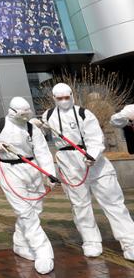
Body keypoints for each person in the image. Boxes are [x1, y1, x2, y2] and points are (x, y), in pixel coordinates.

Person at [42, 83, 134, 260]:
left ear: (72, 96)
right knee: (80, 205)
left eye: (66, 97)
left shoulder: (84, 114)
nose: (63, 101)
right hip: (68, 163)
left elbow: (95, 138)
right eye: (59, 98)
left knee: (113, 202)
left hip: (94, 162)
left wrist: (92, 155)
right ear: (54, 99)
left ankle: (129, 241)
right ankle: (91, 241)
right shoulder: (49, 115)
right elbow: (38, 131)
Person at [0, 97, 55, 275]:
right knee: (25, 212)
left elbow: (42, 151)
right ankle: (43, 251)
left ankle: (20, 244)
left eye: (28, 112)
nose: (26, 115)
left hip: (32, 169)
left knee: (35, 210)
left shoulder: (31, 127)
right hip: (10, 170)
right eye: (23, 113)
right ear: (13, 111)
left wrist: (49, 173)